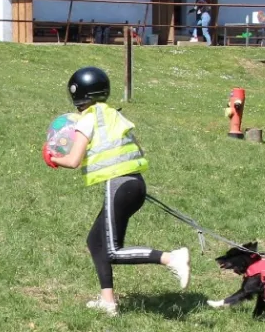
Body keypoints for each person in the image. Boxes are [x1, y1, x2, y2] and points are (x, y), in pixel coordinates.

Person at [45, 67, 189, 316]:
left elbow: (73, 160)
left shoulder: (88, 119)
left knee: (113, 250)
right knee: (95, 240)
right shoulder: (112, 115)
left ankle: (170, 258)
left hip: (119, 186)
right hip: (134, 184)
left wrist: (52, 157)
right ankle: (108, 301)